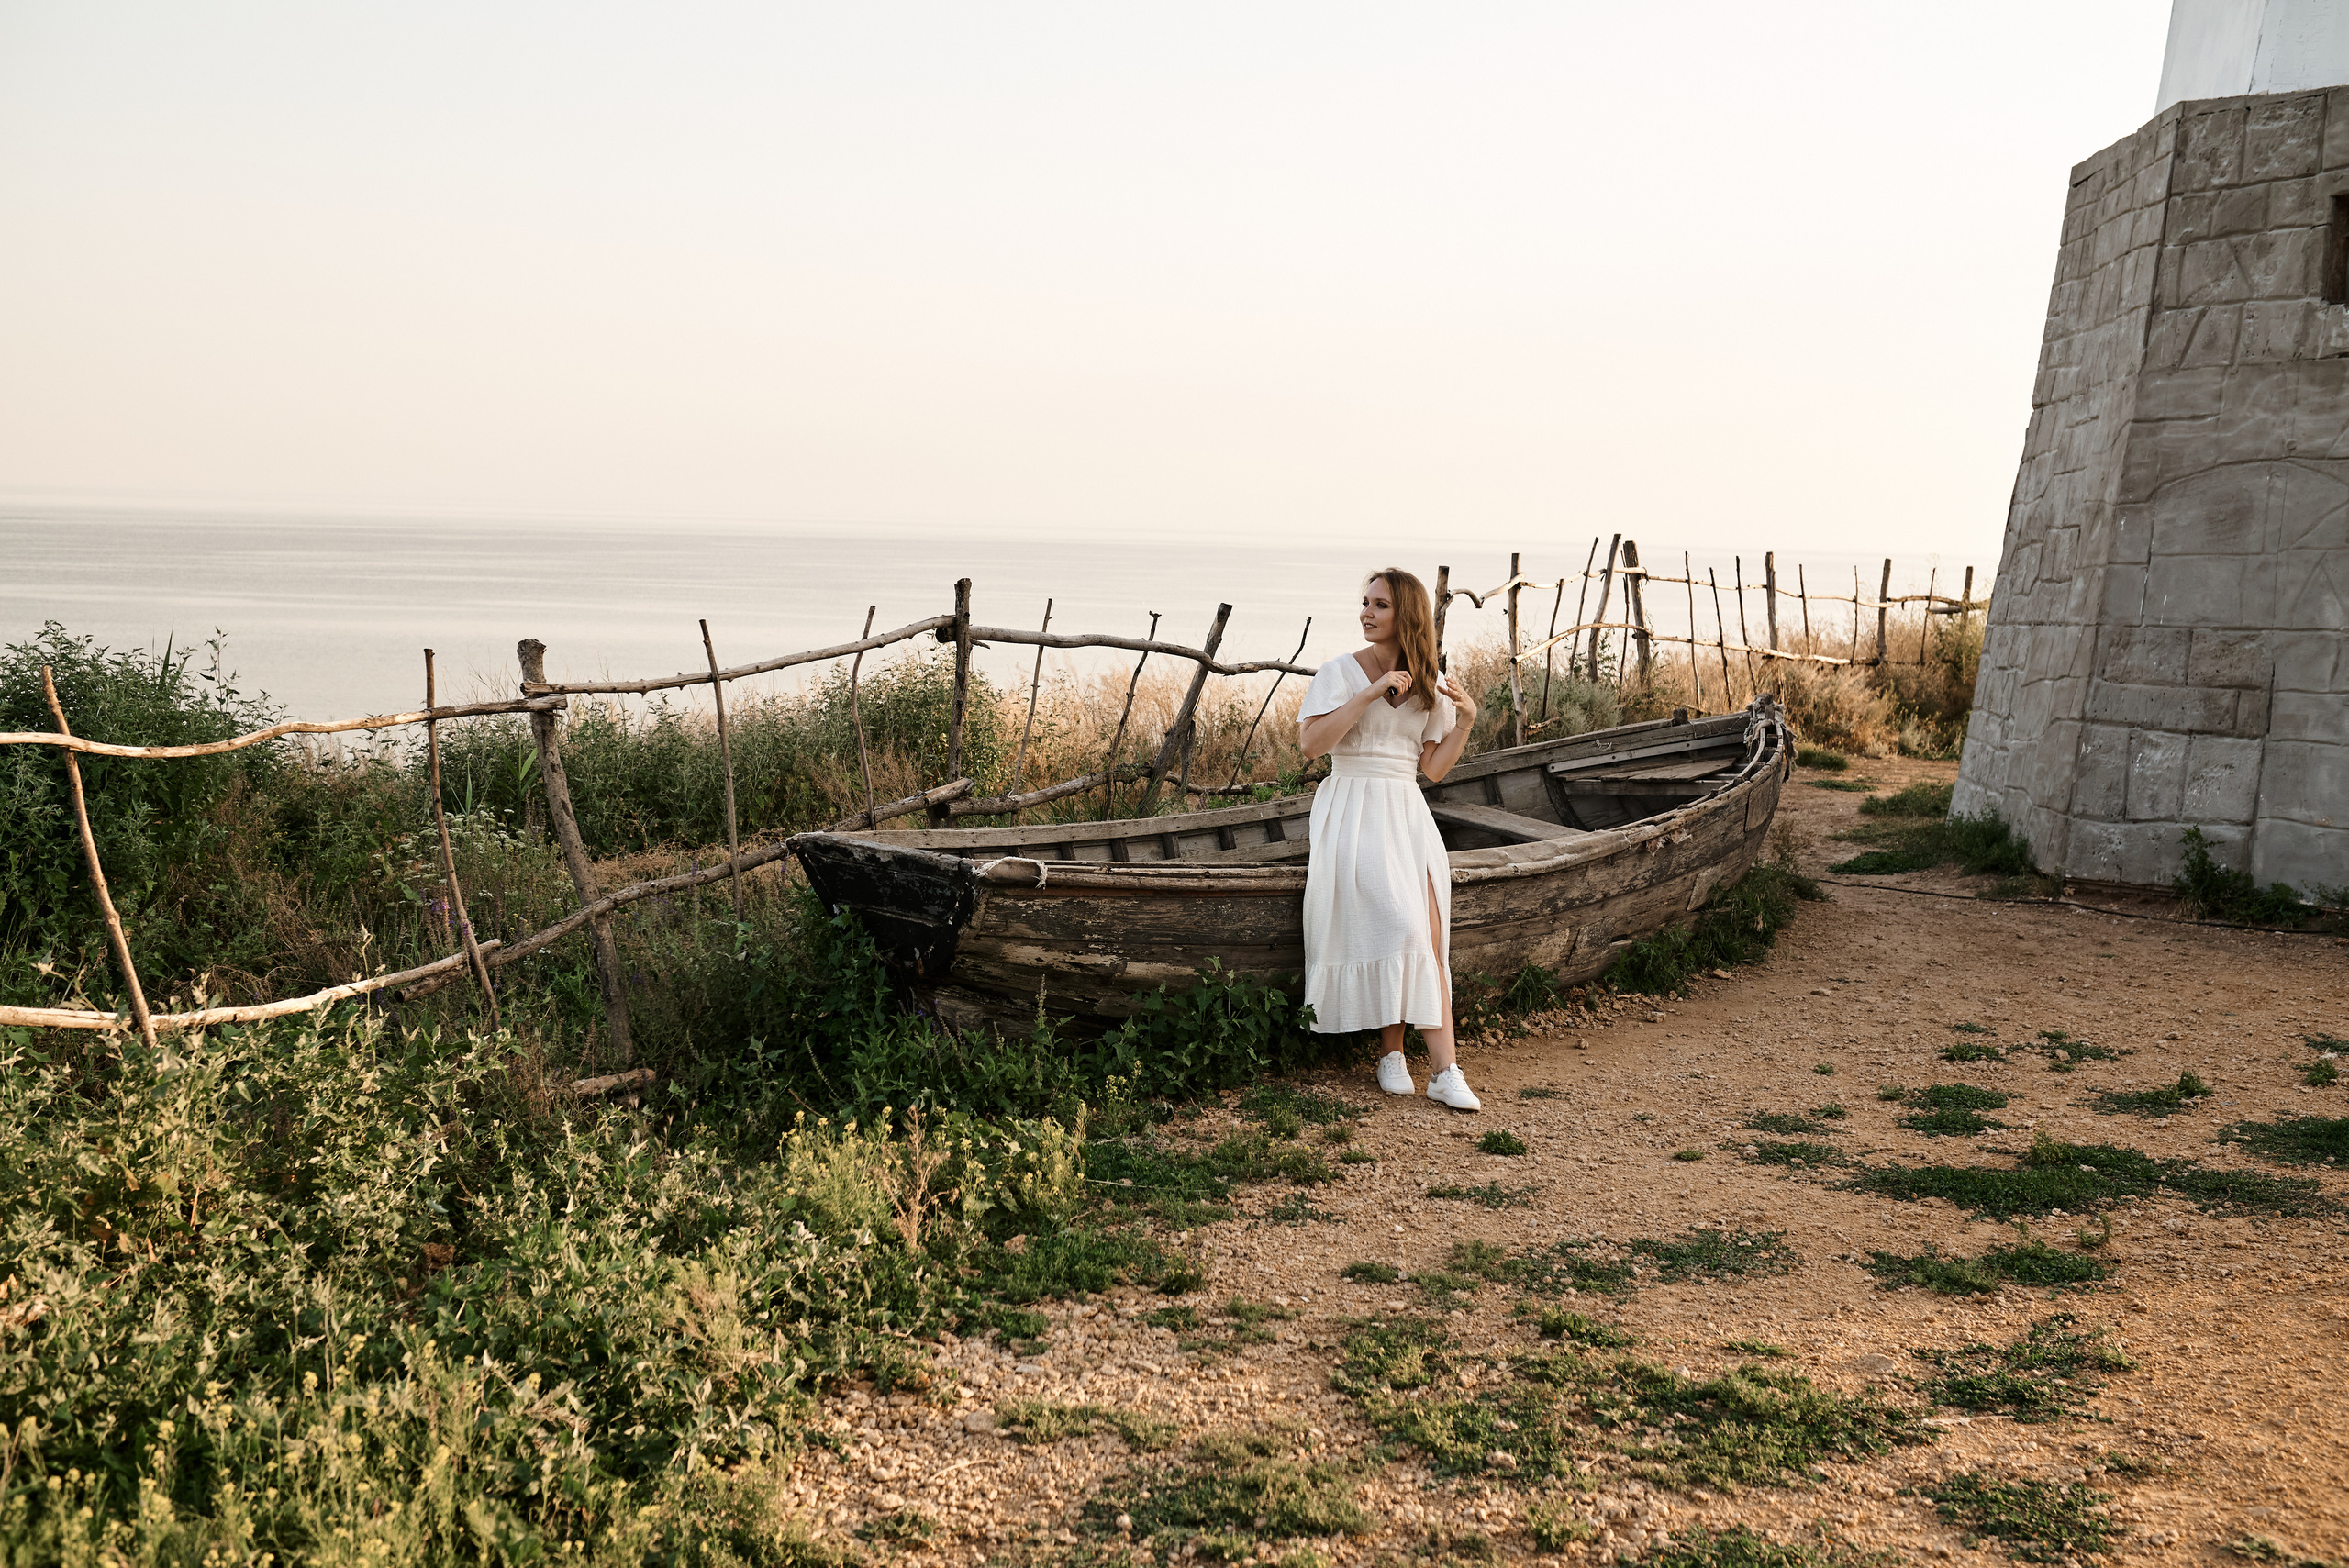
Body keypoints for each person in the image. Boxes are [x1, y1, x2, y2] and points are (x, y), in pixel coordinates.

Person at [1296, 569, 1482, 1110]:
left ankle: (1432, 1066)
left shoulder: (1429, 681)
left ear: (1407, 615)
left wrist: (1464, 723)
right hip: (1352, 803)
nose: (1367, 612)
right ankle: (1402, 1058)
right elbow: (1312, 744)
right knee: (1394, 921)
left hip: (1404, 809)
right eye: (1364, 603)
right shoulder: (1339, 672)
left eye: (1380, 604)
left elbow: (1434, 769)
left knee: (1425, 929)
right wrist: (1371, 692)